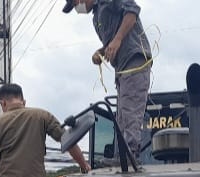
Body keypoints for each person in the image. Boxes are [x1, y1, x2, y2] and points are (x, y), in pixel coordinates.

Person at [64, 0, 152, 163]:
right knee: (122, 116)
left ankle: (129, 155)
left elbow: (132, 11)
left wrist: (117, 39)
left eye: (75, 3)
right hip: (122, 68)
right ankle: (123, 156)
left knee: (130, 110)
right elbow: (112, 42)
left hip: (134, 60)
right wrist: (101, 51)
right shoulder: (96, 17)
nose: (77, 8)